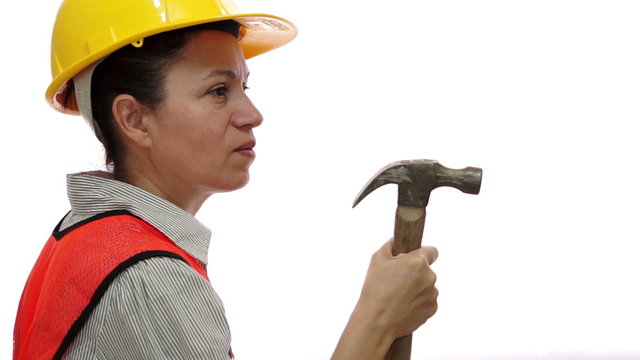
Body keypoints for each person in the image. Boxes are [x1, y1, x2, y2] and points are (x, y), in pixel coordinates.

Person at [13, 0, 439, 359]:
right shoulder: (152, 281)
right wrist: (378, 319)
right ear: (135, 119)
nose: (252, 115)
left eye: (244, 86)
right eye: (219, 91)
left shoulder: (79, 236)